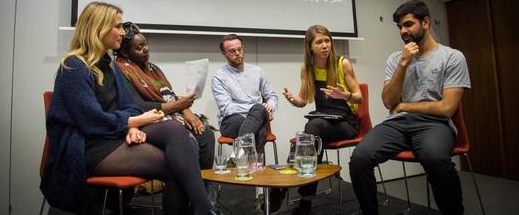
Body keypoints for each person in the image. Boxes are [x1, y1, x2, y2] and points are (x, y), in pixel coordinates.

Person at [40, 2, 215, 215]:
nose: (122, 32)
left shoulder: (109, 65)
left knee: (175, 129)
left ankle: (203, 208)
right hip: (88, 146)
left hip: (114, 135)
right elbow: (93, 122)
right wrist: (134, 123)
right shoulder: (74, 67)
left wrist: (131, 127)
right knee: (174, 167)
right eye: (117, 26)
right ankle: (204, 208)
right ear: (98, 28)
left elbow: (130, 106)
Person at [349, 0, 470, 215]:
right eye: (399, 27)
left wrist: (404, 105)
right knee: (360, 158)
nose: (403, 31)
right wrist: (403, 64)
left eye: (408, 24)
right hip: (397, 125)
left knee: (435, 160)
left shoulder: (452, 57)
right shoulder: (396, 59)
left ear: (425, 22)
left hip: (435, 124)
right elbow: (388, 102)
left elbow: (446, 109)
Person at [115, 22, 215, 171]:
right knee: (186, 140)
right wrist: (178, 106)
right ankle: (188, 190)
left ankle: (204, 186)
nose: (146, 50)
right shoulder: (122, 71)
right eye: (139, 48)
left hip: (170, 115)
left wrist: (187, 112)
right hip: (145, 122)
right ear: (125, 53)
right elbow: (139, 107)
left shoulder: (153, 68)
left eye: (146, 44)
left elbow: (170, 95)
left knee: (205, 134)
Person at [283, 25, 361, 215]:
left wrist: (344, 95)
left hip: (346, 122)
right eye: (319, 42)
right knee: (311, 134)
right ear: (310, 47)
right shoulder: (307, 69)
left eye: (327, 41)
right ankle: (304, 199)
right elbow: (303, 101)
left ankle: (292, 187)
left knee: (310, 131)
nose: (325, 45)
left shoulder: (342, 63)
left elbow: (359, 97)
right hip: (323, 120)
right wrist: (294, 100)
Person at [211, 33, 284, 212]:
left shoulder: (257, 71)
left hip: (253, 120)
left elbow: (272, 97)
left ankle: (238, 155)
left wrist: (270, 108)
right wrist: (256, 114)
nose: (237, 53)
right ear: (224, 54)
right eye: (232, 51)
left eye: (239, 49)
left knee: (259, 119)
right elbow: (227, 108)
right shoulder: (219, 76)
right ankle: (262, 193)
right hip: (231, 122)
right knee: (257, 117)